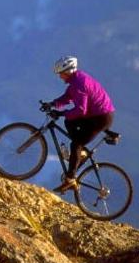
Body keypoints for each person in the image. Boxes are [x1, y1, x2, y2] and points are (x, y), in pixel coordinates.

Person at [49, 56, 115, 193]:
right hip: (97, 115)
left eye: (61, 74)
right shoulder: (76, 80)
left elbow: (80, 110)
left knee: (75, 144)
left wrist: (61, 113)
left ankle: (70, 179)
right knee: (70, 121)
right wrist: (52, 104)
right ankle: (81, 153)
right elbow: (67, 97)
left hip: (100, 118)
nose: (59, 77)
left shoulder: (79, 84)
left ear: (68, 71)